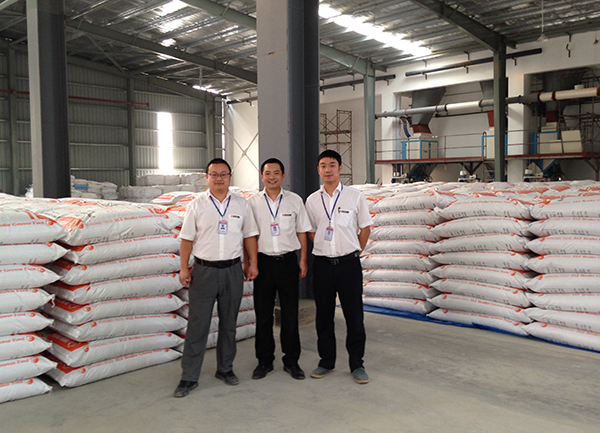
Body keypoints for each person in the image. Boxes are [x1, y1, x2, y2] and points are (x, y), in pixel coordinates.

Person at [174, 158, 259, 398]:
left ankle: (225, 369)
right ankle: (189, 376)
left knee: (229, 324)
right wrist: (183, 268)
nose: (219, 178)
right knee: (198, 325)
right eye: (214, 174)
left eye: (223, 174)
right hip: (204, 272)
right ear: (207, 178)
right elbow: (187, 239)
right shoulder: (196, 205)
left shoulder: (241, 204)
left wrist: (252, 263)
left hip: (232, 270)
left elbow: (249, 236)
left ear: (230, 177)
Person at [305, 150, 373, 384]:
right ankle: (326, 361)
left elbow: (365, 228)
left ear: (340, 168)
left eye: (332, 165)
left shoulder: (355, 197)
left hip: (348, 265)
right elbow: (312, 231)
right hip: (322, 265)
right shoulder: (312, 200)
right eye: (323, 165)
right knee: (323, 316)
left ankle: (357, 364)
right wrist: (325, 247)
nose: (328, 170)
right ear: (318, 170)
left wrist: (355, 250)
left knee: (354, 316)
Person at [246, 158, 312, 381]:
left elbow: (302, 231)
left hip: (288, 263)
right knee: (263, 314)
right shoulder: (252, 203)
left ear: (283, 176)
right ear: (261, 176)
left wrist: (303, 260)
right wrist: (251, 263)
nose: (272, 177)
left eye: (276, 173)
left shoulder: (294, 200)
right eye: (267, 173)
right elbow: (249, 235)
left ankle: (291, 361)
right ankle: (264, 361)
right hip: (263, 264)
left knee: (290, 314)